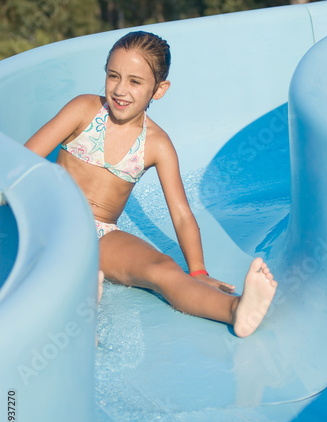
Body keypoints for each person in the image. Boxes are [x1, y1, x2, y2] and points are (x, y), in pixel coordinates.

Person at [25, 30, 277, 337]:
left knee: (163, 269)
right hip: (53, 213)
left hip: (100, 234)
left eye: (135, 81)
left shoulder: (157, 144)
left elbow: (182, 214)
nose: (119, 89)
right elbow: (25, 160)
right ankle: (77, 307)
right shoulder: (84, 109)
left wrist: (198, 271)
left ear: (159, 89)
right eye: (113, 76)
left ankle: (235, 309)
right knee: (63, 258)